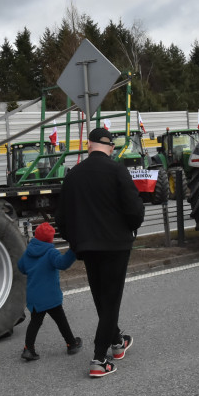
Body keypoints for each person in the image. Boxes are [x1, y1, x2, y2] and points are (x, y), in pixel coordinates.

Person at [55, 127, 145, 378]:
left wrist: (76, 242)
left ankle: (117, 342)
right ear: (111, 148)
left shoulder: (74, 175)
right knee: (111, 302)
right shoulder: (117, 170)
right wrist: (130, 228)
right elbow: (134, 210)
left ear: (89, 146)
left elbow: (61, 217)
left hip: (87, 247)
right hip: (116, 245)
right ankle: (98, 358)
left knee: (101, 298)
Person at [16, 222, 82, 361]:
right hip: (51, 297)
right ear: (50, 239)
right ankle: (71, 343)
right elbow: (62, 263)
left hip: (35, 297)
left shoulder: (28, 252)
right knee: (61, 321)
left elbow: (21, 267)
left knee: (35, 323)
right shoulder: (51, 252)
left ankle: (29, 349)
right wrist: (72, 251)